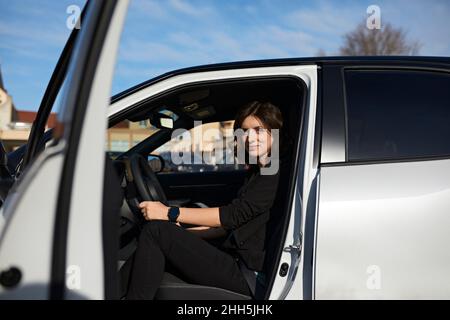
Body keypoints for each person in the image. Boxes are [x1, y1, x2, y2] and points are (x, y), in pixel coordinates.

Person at [126, 101, 285, 299]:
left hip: (249, 274)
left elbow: (230, 217)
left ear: (275, 132)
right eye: (244, 131)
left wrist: (169, 212)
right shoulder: (259, 172)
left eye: (258, 130)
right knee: (160, 235)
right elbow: (227, 228)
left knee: (156, 230)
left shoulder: (275, 172)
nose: (249, 138)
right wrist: (182, 234)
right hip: (235, 257)